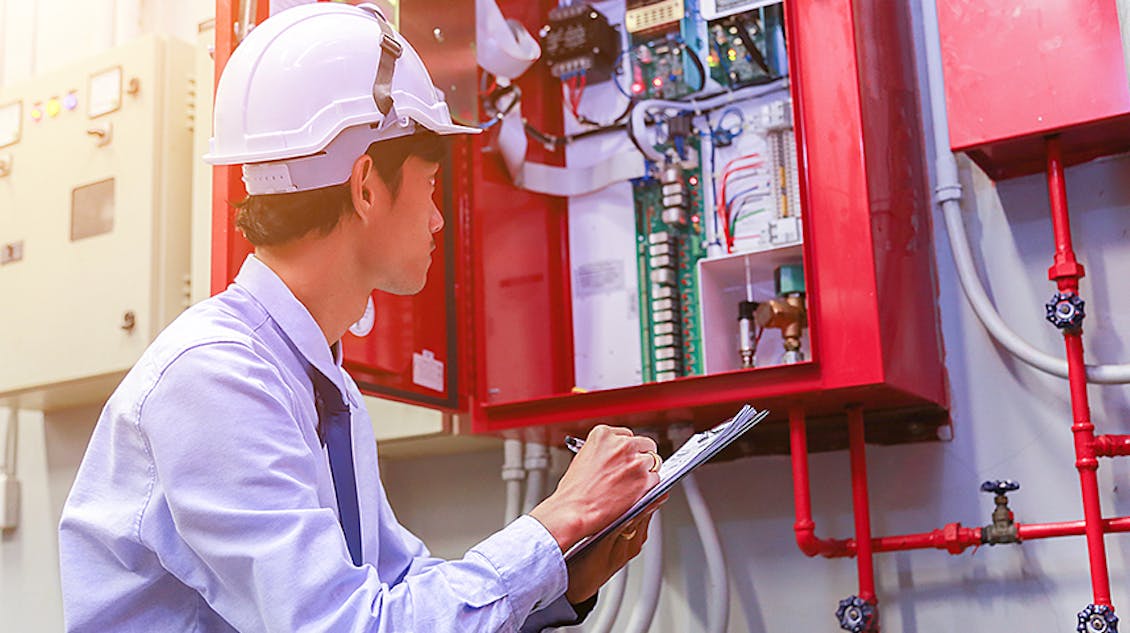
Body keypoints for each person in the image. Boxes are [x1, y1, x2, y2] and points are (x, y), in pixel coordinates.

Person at [58, 3, 663, 631]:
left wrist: (564, 573)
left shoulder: (317, 381)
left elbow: (398, 590)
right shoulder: (214, 378)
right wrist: (555, 520)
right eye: (431, 185)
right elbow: (350, 625)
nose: (437, 219)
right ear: (367, 185)